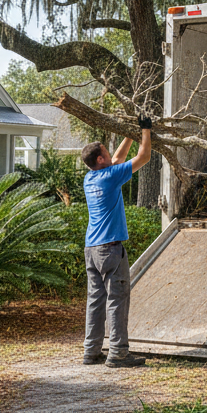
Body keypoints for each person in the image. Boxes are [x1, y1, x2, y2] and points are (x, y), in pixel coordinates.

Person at [80, 117, 154, 368]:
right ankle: (119, 352)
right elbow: (143, 157)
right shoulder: (110, 177)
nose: (111, 154)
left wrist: (128, 135)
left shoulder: (90, 178)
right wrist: (146, 129)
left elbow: (117, 160)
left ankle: (91, 352)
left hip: (91, 248)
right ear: (100, 159)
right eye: (106, 152)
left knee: (96, 300)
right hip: (110, 248)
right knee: (117, 298)